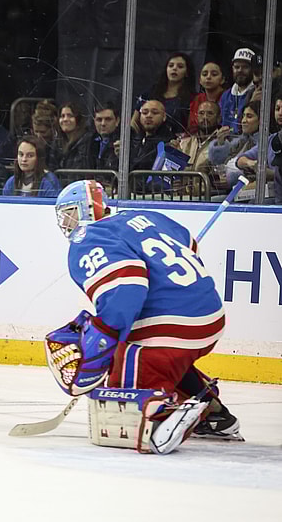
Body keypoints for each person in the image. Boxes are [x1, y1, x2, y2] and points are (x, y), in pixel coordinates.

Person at [47, 180, 242, 454]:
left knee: (123, 400)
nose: (68, 222)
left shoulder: (88, 237)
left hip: (174, 324)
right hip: (210, 315)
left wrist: (105, 338)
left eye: (71, 212)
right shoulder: (145, 216)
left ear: (90, 207)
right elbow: (190, 245)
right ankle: (214, 414)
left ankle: (163, 417)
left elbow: (126, 287)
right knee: (162, 354)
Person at [132, 52, 196, 134]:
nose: (174, 68)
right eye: (171, 65)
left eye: (180, 66)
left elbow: (191, 129)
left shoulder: (192, 98)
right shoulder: (151, 92)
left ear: (187, 72)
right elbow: (134, 122)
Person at [208, 100, 260, 188]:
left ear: (261, 120)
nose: (243, 121)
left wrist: (230, 180)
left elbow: (255, 173)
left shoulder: (264, 144)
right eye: (243, 116)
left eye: (249, 116)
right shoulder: (240, 141)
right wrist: (220, 142)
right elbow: (218, 162)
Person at [220, 48, 257, 134]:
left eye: (245, 67)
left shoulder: (257, 93)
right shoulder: (226, 95)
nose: (240, 70)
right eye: (237, 67)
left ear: (253, 69)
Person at [48, 101, 90, 171]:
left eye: (70, 116)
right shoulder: (57, 142)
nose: (65, 119)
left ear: (78, 119)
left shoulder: (87, 141)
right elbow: (52, 168)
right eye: (62, 116)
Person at [188, 62, 225, 134]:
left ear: (222, 79)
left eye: (214, 74)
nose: (208, 77)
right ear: (200, 80)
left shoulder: (228, 97)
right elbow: (191, 127)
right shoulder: (197, 99)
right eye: (204, 74)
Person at [88, 102, 120, 171]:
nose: (103, 124)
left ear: (117, 121)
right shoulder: (88, 141)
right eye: (99, 120)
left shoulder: (124, 141)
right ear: (94, 121)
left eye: (108, 119)